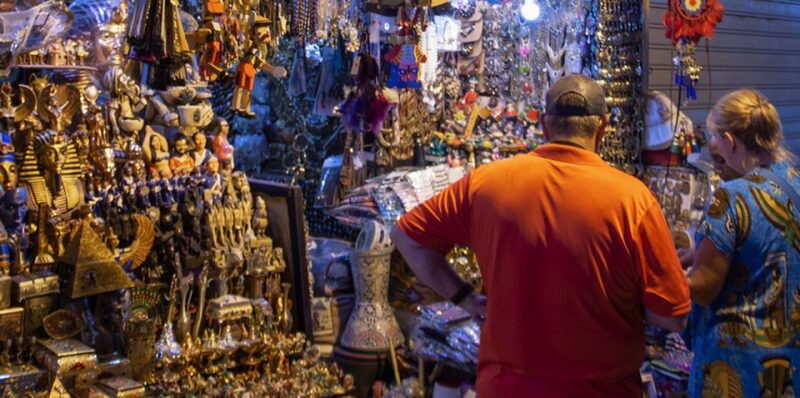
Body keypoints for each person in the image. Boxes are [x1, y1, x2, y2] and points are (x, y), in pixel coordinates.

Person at [391, 75, 690, 397]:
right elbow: (671, 318)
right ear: (602, 127)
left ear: (544, 127)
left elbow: (407, 236)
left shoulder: (486, 184)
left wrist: (466, 299)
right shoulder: (633, 200)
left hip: (507, 387)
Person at [684, 89, 800, 397]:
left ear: (730, 140)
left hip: (737, 370)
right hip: (790, 370)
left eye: (713, 139)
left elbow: (704, 287)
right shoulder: (794, 181)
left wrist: (657, 276)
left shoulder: (732, 196)